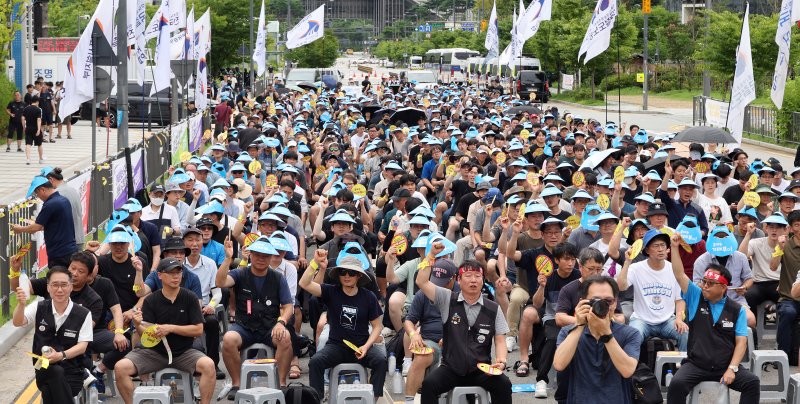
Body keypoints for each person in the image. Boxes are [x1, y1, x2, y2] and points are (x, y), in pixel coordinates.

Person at [667, 234, 761, 404]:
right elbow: (679, 274)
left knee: (752, 382)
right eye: (704, 281)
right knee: (677, 383)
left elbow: (741, 342)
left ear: (724, 287)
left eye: (710, 283)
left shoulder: (736, 309)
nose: (705, 286)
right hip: (696, 364)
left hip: (724, 364)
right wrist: (674, 247)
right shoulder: (696, 297)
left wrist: (732, 368)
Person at [415, 247, 512, 404]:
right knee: (428, 385)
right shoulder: (446, 299)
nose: (473, 280)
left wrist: (501, 361)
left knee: (504, 384)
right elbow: (421, 281)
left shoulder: (493, 308)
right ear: (458, 280)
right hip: (451, 369)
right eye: (468, 276)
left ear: (483, 279)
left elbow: (500, 339)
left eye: (477, 276)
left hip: (481, 369)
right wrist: (431, 256)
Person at [114, 258, 216, 404]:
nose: (176, 276)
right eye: (170, 273)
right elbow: (146, 334)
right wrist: (137, 325)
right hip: (154, 352)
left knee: (209, 365)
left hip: (184, 351)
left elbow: (198, 330)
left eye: (178, 272)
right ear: (160, 275)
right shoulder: (151, 300)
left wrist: (171, 328)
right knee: (120, 367)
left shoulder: (190, 297)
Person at [299, 251, 388, 401]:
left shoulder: (369, 297)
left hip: (361, 346)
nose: (347, 276)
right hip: (336, 346)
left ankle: (373, 399)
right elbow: (304, 283)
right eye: (343, 272)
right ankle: (317, 399)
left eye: (351, 272)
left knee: (380, 361)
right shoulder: (331, 291)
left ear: (359, 276)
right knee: (315, 362)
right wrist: (314, 262)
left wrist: (366, 347)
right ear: (338, 275)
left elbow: (377, 326)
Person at [216, 236, 295, 398]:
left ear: (271, 257)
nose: (261, 259)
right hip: (244, 325)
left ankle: (280, 383)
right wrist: (227, 259)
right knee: (229, 339)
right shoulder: (240, 273)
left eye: (265, 256)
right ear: (250, 254)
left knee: (285, 337)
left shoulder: (278, 278)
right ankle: (237, 384)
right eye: (257, 254)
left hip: (270, 325)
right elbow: (220, 282)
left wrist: (281, 322)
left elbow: (288, 307)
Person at [553, 276, 641, 403]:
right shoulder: (569, 332)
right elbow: (559, 365)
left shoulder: (630, 334)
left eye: (608, 301)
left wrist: (606, 333)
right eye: (596, 301)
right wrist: (579, 326)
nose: (603, 305)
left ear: (616, 303)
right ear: (583, 302)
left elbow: (627, 371)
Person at [12, 267, 93, 403]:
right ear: (48, 288)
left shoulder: (83, 313)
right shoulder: (39, 307)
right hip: (43, 367)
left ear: (71, 287)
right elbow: (17, 322)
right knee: (55, 372)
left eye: (64, 285)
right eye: (55, 285)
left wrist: (60, 355)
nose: (59, 290)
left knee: (49, 392)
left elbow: (82, 346)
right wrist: (21, 305)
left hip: (72, 371)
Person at [617, 228, 689, 351]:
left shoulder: (674, 269)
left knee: (685, 333)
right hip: (642, 320)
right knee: (632, 337)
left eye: (663, 245)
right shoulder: (636, 268)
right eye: (656, 246)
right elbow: (621, 286)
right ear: (647, 250)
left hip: (667, 320)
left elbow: (679, 299)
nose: (660, 249)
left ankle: (684, 367)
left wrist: (678, 319)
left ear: (668, 248)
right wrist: (627, 262)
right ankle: (634, 369)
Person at [402, 259, 456, 403]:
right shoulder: (423, 293)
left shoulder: (463, 293)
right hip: (431, 341)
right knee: (419, 356)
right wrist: (413, 334)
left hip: (457, 343)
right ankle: (409, 401)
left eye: (443, 282)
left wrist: (452, 338)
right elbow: (409, 320)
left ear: (453, 279)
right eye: (435, 281)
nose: (437, 287)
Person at [13, 176, 78, 267]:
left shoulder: (50, 204)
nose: (38, 197)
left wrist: (20, 229)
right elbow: (56, 224)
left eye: (37, 194)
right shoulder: (63, 200)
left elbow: (36, 227)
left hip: (59, 253)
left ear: (42, 190)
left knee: (57, 280)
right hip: (70, 250)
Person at [21, 94, 44, 164]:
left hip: (28, 128)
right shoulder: (38, 109)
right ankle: (40, 159)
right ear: (37, 101)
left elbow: (22, 118)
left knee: (28, 144)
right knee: (39, 144)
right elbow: (39, 120)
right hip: (36, 128)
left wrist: (24, 127)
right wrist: (38, 129)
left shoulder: (26, 108)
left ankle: (28, 159)